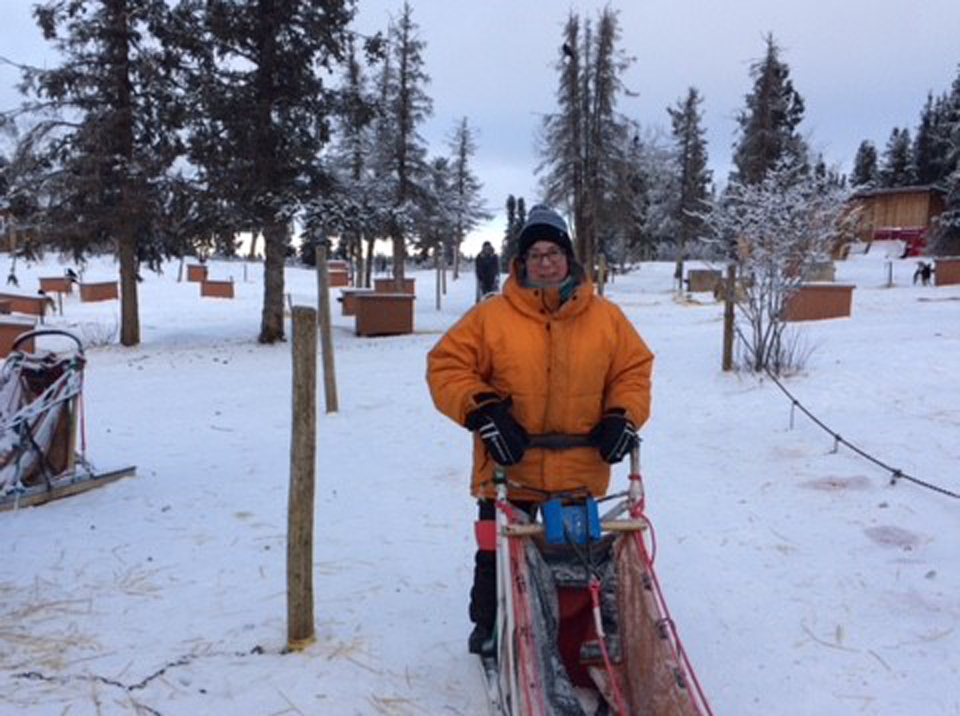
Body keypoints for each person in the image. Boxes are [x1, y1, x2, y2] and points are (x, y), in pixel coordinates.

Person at [425, 204, 654, 656]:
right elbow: (446, 367)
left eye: (554, 252)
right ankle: (489, 626)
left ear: (569, 259)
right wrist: (484, 412)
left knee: (576, 561)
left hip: (579, 473)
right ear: (521, 263)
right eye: (535, 254)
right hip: (509, 471)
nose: (545, 261)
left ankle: (577, 633)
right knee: (495, 552)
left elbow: (633, 371)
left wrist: (621, 415)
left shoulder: (607, 319)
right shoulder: (491, 317)